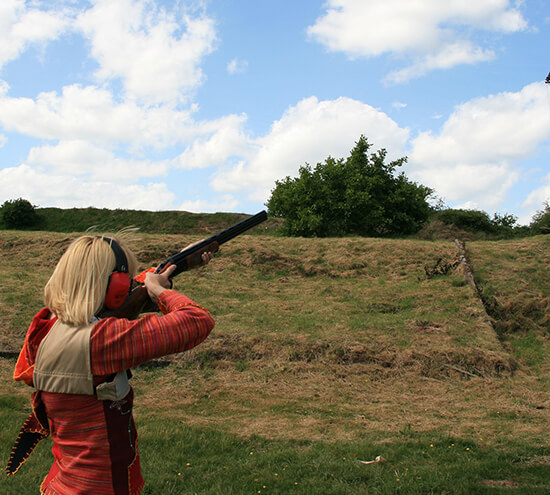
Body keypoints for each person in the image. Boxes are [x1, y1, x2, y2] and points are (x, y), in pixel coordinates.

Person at [7, 235, 215, 495]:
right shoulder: (101, 340)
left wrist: (181, 261)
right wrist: (161, 291)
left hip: (63, 484)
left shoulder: (48, 324)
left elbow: (121, 298)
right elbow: (197, 321)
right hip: (102, 487)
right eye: (124, 282)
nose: (128, 286)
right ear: (112, 286)